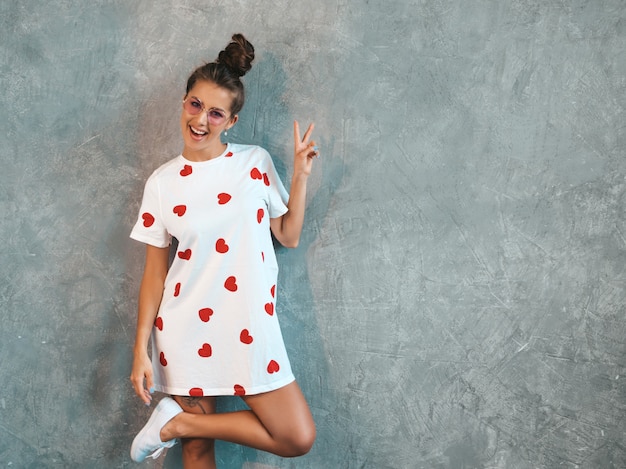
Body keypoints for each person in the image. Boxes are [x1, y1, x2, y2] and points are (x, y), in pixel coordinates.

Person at [128, 33, 317, 467]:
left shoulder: (255, 164)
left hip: (249, 324)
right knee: (197, 453)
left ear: (230, 122)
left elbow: (287, 235)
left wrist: (302, 175)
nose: (201, 120)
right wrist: (141, 348)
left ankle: (173, 424)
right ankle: (181, 428)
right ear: (183, 102)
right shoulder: (161, 183)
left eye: (216, 113)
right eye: (195, 105)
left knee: (296, 435)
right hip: (184, 327)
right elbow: (155, 273)